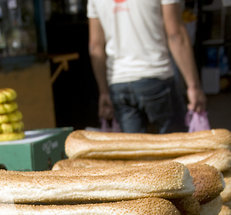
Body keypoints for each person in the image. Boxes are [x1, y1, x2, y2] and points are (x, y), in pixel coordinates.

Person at [88, 0, 207, 133]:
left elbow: (95, 47)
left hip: (119, 83)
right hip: (156, 76)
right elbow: (175, 34)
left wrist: (104, 91)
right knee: (176, 147)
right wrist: (193, 86)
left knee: (134, 150)